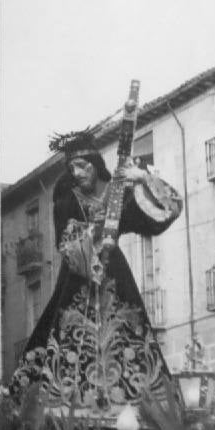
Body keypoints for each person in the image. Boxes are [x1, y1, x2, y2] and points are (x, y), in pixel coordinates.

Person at [11, 131, 182, 410]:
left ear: (96, 164)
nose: (77, 173)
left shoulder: (118, 194)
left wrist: (142, 178)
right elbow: (66, 247)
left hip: (115, 279)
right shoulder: (67, 201)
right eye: (72, 168)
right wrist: (99, 232)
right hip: (78, 284)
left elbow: (167, 209)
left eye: (83, 166)